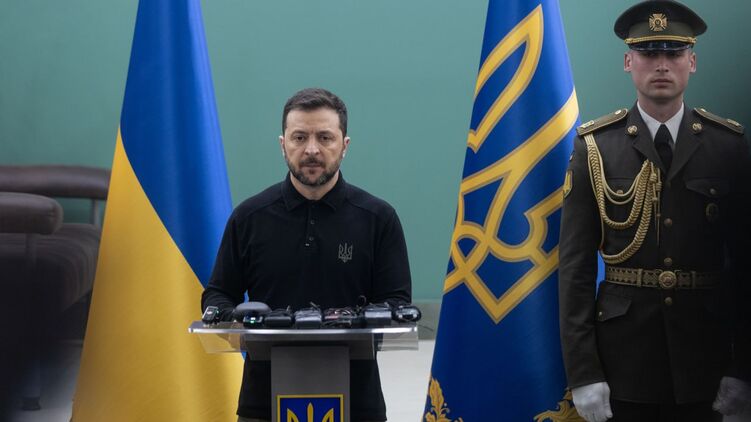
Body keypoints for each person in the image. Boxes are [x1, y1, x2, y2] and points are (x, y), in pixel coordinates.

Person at [558, 1, 751, 421]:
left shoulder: (728, 146)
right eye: (648, 52)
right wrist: (584, 373)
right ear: (628, 62)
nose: (661, 64)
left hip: (708, 360)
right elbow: (574, 270)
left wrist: (744, 370)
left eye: (674, 52)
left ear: (692, 62)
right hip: (623, 364)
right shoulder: (595, 148)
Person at [202, 87, 412, 422]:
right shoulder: (249, 217)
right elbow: (217, 294)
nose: (312, 149)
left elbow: (397, 302)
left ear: (344, 145)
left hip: (358, 403)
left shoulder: (378, 218)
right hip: (262, 404)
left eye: (325, 138)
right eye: (299, 137)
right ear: (283, 144)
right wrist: (239, 321)